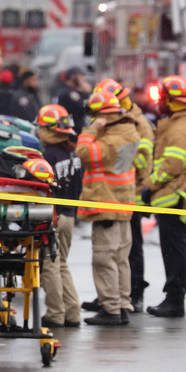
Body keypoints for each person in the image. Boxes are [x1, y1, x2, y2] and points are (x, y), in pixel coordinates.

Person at [142, 75, 186, 318]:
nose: (160, 104)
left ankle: (175, 298)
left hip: (176, 196)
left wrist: (150, 185)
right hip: (173, 196)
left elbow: (172, 165)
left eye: (163, 99)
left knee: (175, 249)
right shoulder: (177, 124)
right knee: (173, 247)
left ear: (171, 101)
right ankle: (173, 296)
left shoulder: (180, 128)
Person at [76, 90, 141, 326]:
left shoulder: (110, 140)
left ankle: (111, 308)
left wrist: (92, 130)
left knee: (105, 258)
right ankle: (122, 304)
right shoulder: (129, 132)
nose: (92, 120)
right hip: (122, 205)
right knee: (121, 258)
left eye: (95, 116)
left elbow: (83, 153)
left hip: (106, 204)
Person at [93, 79, 155, 313]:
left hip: (129, 193)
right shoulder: (122, 119)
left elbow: (140, 161)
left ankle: (133, 294)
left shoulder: (136, 124)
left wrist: (134, 185)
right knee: (118, 249)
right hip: (120, 191)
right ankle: (113, 297)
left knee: (129, 248)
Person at [35, 104, 84, 328]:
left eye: (42, 128)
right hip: (70, 216)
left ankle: (55, 313)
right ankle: (72, 312)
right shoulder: (73, 155)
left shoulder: (47, 157)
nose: (38, 131)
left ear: (51, 130)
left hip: (54, 217)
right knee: (62, 263)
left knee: (49, 264)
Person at [54, 66, 91, 134]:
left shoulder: (71, 91)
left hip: (74, 127)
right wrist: (86, 93)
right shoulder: (67, 92)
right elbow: (83, 105)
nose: (83, 79)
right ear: (73, 77)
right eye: (80, 77)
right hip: (72, 129)